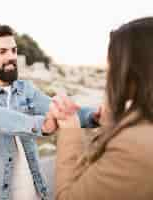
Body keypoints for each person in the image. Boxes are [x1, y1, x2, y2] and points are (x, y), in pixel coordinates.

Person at [0, 24, 97, 200]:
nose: (11, 57)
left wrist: (94, 116)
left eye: (13, 50)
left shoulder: (27, 89)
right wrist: (42, 125)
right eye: (2, 52)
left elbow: (61, 111)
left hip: (35, 194)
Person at [50, 17, 153, 200]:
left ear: (132, 71)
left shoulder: (134, 147)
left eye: (112, 65)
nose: (109, 74)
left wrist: (70, 128)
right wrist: (113, 124)